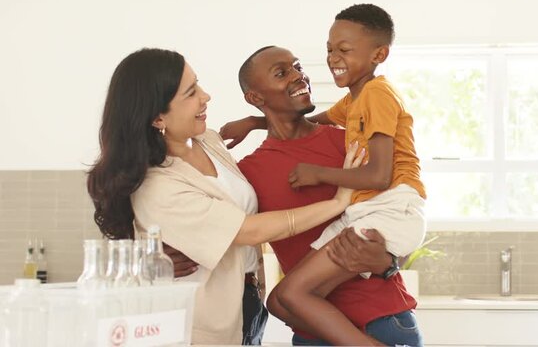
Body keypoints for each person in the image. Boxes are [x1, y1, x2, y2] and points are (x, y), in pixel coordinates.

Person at [86, 48, 363, 345]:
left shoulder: (208, 141)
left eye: (198, 84)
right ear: (157, 117)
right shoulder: (159, 185)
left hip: (248, 305)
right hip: (196, 324)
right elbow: (247, 230)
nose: (206, 96)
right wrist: (338, 201)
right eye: (191, 92)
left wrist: (254, 121)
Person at [222, 4, 427, 345]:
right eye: (281, 72)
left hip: (380, 321)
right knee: (280, 299)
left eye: (298, 67)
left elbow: (400, 211)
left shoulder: (349, 139)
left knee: (288, 295)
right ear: (254, 97)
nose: (299, 76)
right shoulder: (248, 173)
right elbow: (229, 235)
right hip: (311, 333)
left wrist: (388, 262)